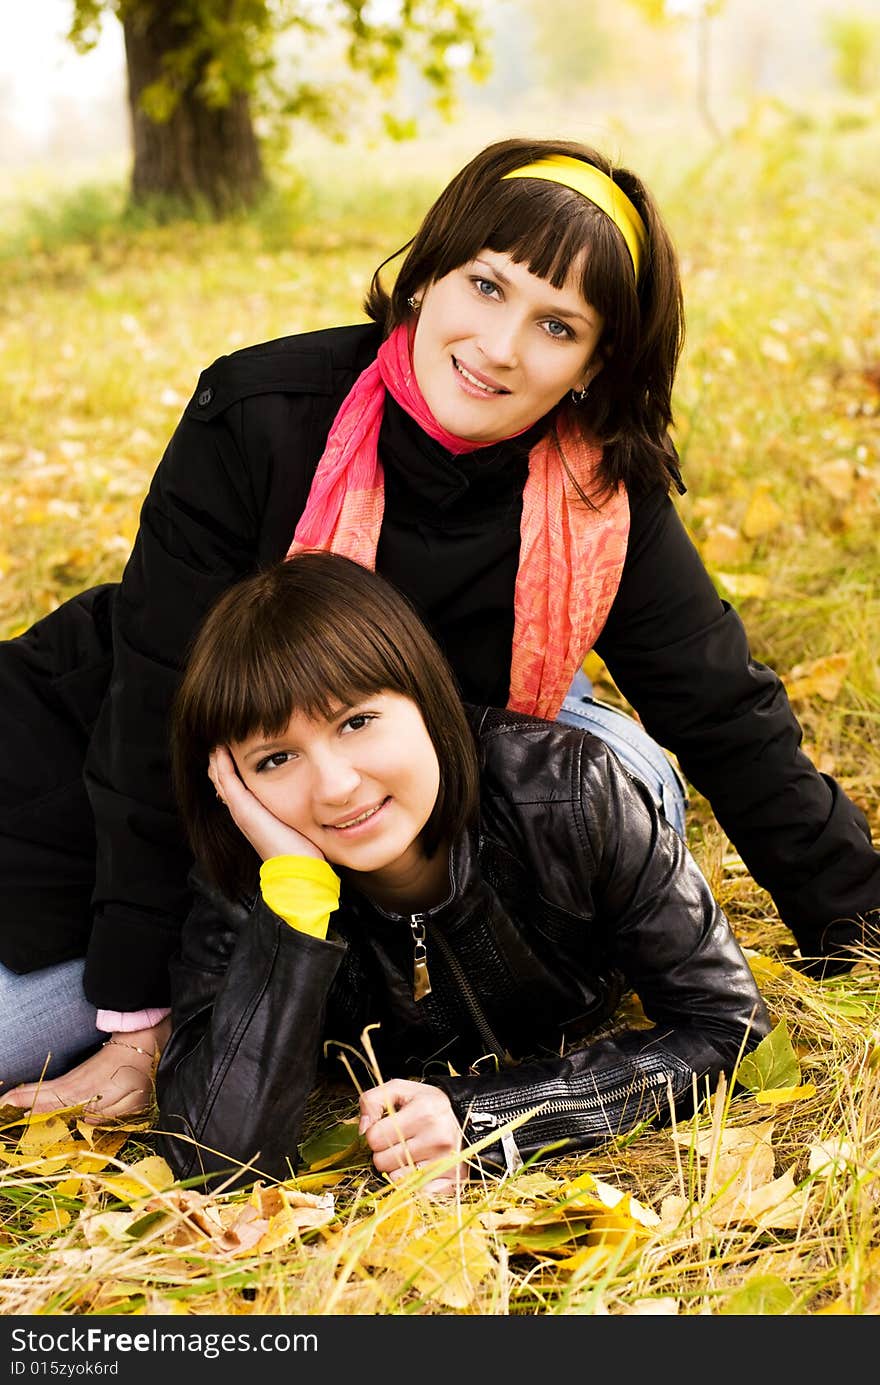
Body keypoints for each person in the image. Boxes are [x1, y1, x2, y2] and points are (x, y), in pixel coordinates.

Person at [2, 136, 876, 1121]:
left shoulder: (599, 488)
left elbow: (722, 708)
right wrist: (138, 1018)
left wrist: (855, 923)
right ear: (427, 276)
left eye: (556, 323)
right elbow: (150, 702)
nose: (500, 345)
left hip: (366, 780)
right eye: (486, 286)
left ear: (596, 362)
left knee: (634, 786)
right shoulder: (260, 415)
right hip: (136, 754)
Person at [155, 550, 769, 1190]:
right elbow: (210, 1157)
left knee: (599, 742)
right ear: (232, 786)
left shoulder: (571, 793)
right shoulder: (252, 875)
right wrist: (298, 900)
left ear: (423, 696)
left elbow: (724, 1025)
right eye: (275, 759)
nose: (335, 786)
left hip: (609, 768)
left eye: (356, 722)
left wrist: (488, 1118)